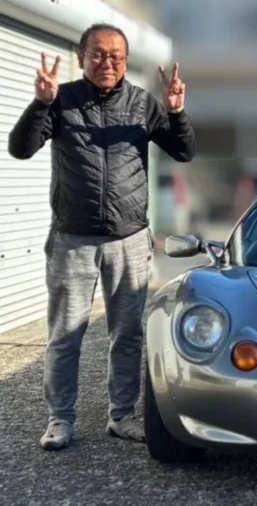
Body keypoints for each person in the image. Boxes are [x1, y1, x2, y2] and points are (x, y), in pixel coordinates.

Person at [7, 23, 196, 450]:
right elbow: (20, 148)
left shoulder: (142, 103)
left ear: (125, 61)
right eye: (98, 54)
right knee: (65, 335)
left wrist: (176, 113)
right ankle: (60, 419)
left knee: (127, 335)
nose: (107, 62)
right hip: (72, 240)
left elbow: (184, 151)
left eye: (116, 56)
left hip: (130, 240)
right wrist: (41, 104)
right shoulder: (62, 100)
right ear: (81, 58)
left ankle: (122, 415)